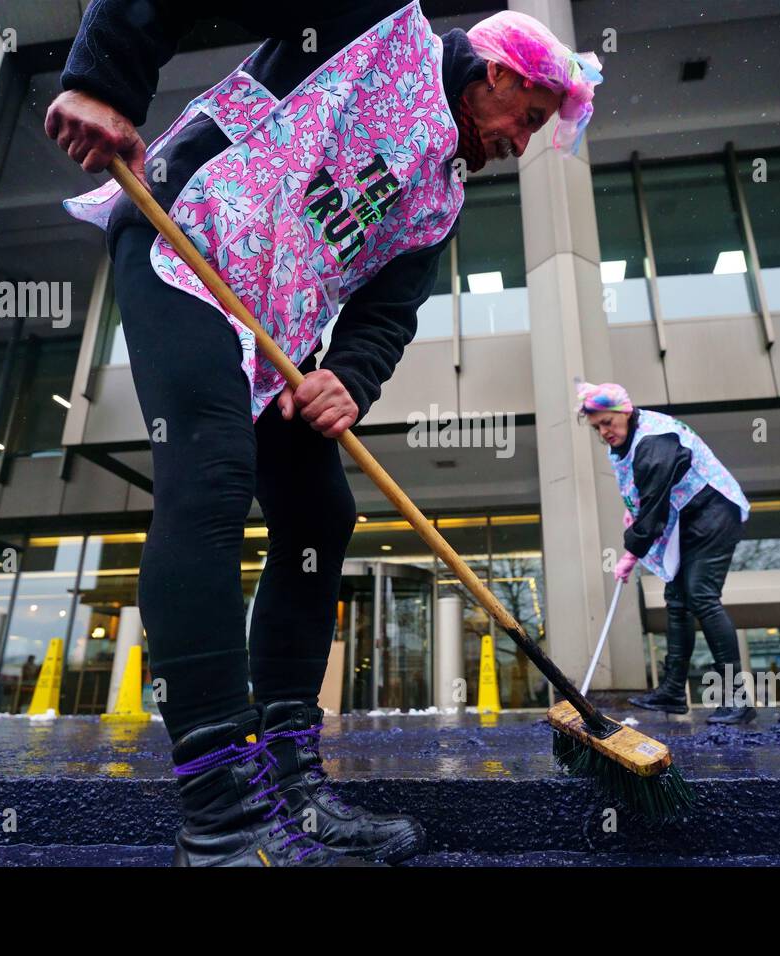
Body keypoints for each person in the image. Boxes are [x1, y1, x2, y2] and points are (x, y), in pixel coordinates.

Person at [46, 1, 602, 866]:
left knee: (319, 516)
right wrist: (104, 76)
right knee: (213, 475)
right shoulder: (377, 22)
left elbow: (385, 313)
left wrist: (351, 377)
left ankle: (290, 783)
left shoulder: (443, 195)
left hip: (277, 330)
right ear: (497, 72)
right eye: (525, 119)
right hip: (190, 241)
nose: (519, 144)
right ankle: (221, 811)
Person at [576, 382, 756, 725]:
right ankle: (673, 691)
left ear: (625, 412)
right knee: (677, 600)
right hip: (687, 518)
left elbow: (654, 515)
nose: (604, 431)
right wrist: (636, 518)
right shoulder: (629, 440)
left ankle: (737, 698)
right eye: (597, 426)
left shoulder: (653, 443)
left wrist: (631, 551)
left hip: (714, 511)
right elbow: (645, 500)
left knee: (701, 596)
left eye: (608, 423)